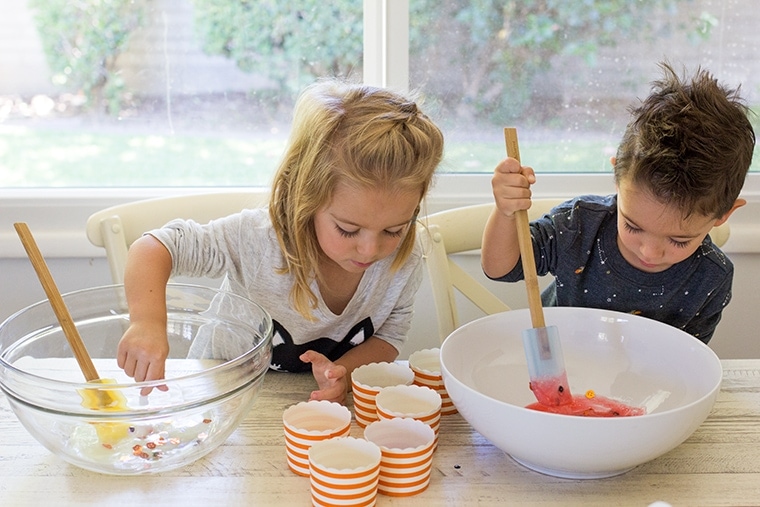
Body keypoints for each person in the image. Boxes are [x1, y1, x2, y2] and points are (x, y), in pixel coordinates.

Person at [116, 77, 444, 404]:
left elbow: (389, 335)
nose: (372, 249)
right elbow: (156, 247)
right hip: (220, 393)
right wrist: (147, 322)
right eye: (347, 229)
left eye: (394, 230)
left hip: (301, 402)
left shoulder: (405, 259)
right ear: (307, 197)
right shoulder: (258, 240)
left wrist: (341, 374)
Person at [481, 61, 755, 344]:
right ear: (617, 177)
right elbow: (501, 268)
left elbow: (687, 362)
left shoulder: (711, 277)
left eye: (678, 241)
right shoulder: (577, 227)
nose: (649, 252)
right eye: (633, 226)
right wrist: (505, 212)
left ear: (723, 214)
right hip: (560, 370)